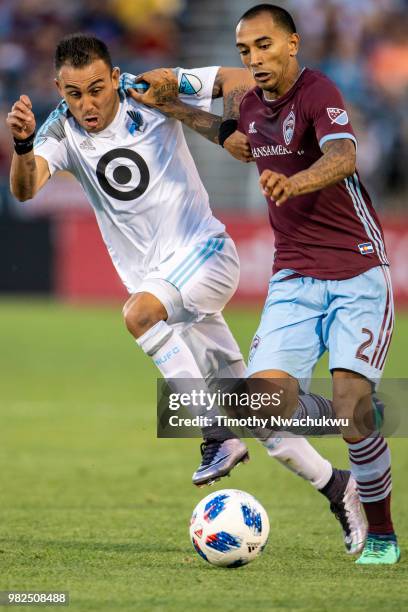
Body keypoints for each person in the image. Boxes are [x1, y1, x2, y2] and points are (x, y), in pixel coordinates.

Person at [7, 33, 364, 554]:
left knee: (137, 316)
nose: (88, 104)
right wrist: (21, 146)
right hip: (166, 288)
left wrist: (230, 128)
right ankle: (340, 487)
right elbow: (24, 187)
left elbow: (235, 79)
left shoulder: (149, 89)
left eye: (97, 89)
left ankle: (216, 437)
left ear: (114, 77)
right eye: (75, 93)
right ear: (60, 89)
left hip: (205, 257)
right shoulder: (59, 129)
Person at [221, 4, 398, 565]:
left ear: (293, 43)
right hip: (294, 276)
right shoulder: (249, 106)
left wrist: (295, 183)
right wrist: (189, 113)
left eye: (265, 46)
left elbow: (344, 157)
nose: (255, 59)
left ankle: (384, 533)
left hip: (357, 269)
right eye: (246, 51)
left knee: (350, 410)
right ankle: (354, 422)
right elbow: (226, 123)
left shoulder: (319, 91)